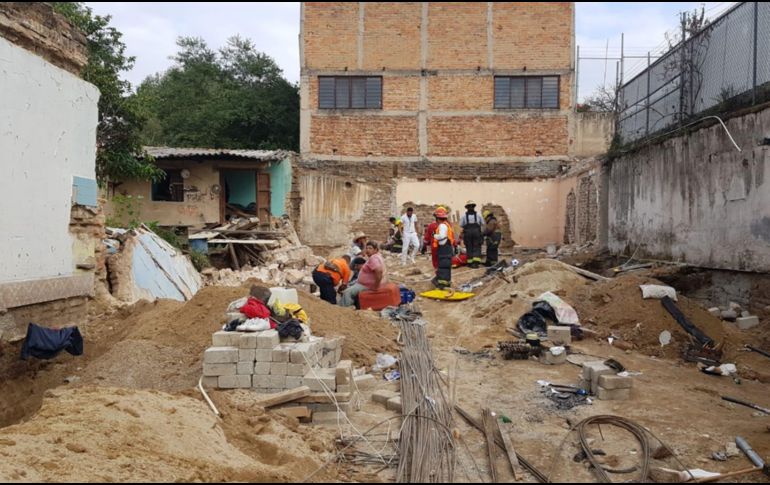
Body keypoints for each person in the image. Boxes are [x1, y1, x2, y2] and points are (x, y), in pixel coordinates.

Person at [340, 241, 387, 307]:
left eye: (370, 248)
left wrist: (376, 286)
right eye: (367, 248)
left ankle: (344, 309)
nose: (367, 250)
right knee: (350, 287)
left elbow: (379, 271)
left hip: (367, 285)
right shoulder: (377, 256)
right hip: (367, 284)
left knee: (347, 292)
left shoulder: (374, 258)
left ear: (376, 250)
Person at [431, 207, 454, 289]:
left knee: (443, 267)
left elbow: (442, 236)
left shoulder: (442, 225)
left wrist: (434, 235)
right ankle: (446, 283)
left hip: (444, 249)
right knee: (446, 267)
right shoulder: (446, 225)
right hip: (447, 248)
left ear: (437, 218)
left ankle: (442, 285)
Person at [459, 200, 484, 268]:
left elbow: (461, 225)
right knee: (476, 247)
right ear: (474, 207)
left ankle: (470, 263)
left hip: (467, 234)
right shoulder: (478, 215)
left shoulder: (463, 216)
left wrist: (461, 235)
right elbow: (482, 223)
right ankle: (475, 263)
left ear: (466, 208)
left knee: (469, 247)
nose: (470, 207)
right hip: (476, 233)